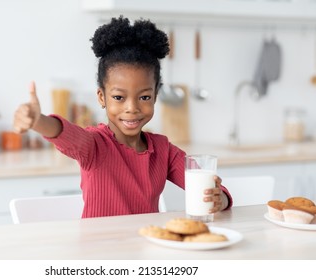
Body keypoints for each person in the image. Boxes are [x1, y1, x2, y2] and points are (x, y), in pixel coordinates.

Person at [13, 16, 232, 218]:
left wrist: (218, 199)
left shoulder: (163, 150)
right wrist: (38, 121)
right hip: (99, 254)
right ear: (102, 96)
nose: (132, 108)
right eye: (118, 97)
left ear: (156, 95)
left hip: (146, 251)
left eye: (144, 97)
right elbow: (65, 134)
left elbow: (204, 181)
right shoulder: (94, 146)